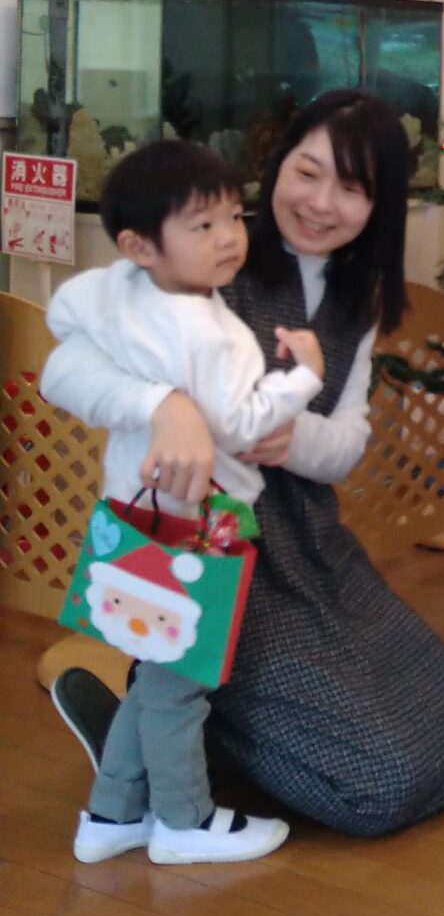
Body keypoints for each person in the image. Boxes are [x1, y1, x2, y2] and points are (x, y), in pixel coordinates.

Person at [43, 90, 444, 836]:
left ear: (379, 204)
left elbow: (346, 444)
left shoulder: (359, 297)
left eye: (351, 188)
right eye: (307, 173)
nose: (320, 203)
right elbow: (64, 370)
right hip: (215, 550)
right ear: (277, 164)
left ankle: (155, 720)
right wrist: (165, 405)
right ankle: (160, 725)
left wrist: (295, 441)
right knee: (377, 786)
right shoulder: (204, 249)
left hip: (310, 544)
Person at [44, 139, 324, 865]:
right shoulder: (208, 331)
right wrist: (301, 379)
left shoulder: (118, 295)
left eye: (233, 216)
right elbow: (239, 425)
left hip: (131, 516)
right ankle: (183, 820)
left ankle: (111, 814)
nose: (229, 237)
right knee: (181, 684)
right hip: (201, 529)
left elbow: (65, 331)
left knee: (153, 672)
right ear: (140, 244)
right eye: (203, 225)